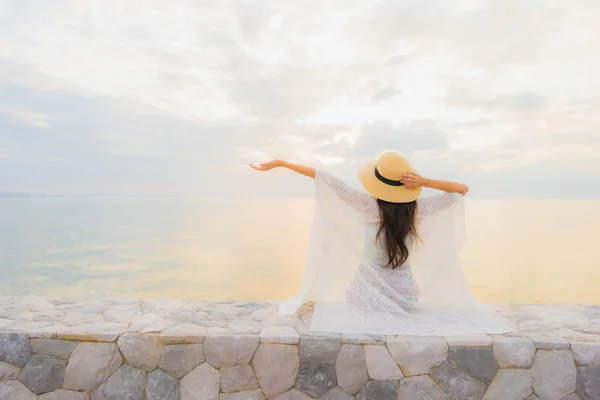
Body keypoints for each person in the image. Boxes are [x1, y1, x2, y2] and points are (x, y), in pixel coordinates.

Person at [250, 151, 511, 335]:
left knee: (351, 295)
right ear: (406, 184)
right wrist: (424, 182)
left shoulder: (365, 205)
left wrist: (283, 162)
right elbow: (461, 190)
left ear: (377, 182)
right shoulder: (418, 209)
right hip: (406, 297)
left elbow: (326, 179)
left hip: (365, 296)